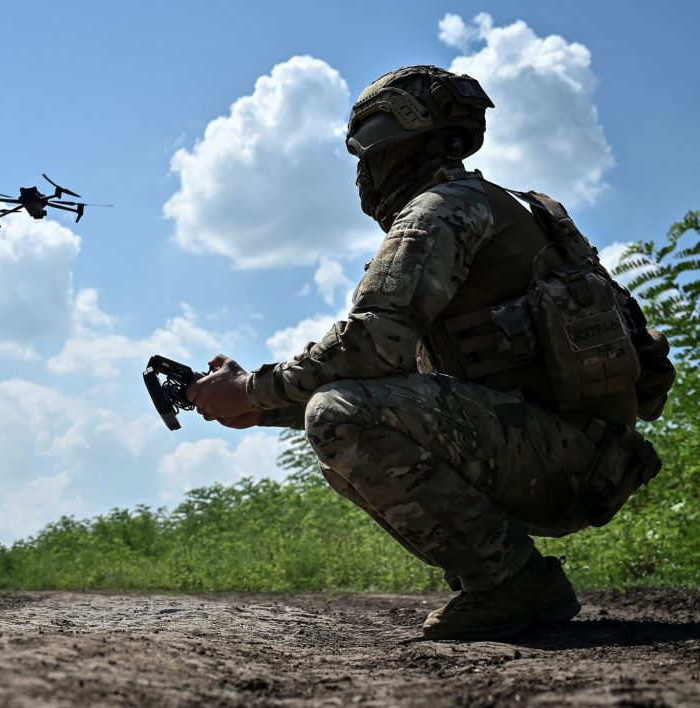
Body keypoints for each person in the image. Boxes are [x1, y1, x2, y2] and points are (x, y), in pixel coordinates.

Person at [187, 65, 669, 640]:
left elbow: (369, 346)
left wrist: (251, 388)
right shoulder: (498, 208)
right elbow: (403, 376)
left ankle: (510, 581)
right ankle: (508, 576)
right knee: (335, 414)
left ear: (398, 141)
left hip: (557, 459)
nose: (363, 172)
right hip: (582, 460)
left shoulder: (439, 210)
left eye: (367, 154)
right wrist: (260, 407)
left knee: (336, 416)